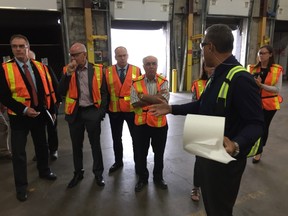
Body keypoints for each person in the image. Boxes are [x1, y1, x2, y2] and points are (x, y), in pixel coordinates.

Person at [149, 24, 264, 215]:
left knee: (219, 208)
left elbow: (257, 123)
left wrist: (236, 145)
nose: (201, 52)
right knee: (211, 205)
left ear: (210, 47)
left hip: (225, 158)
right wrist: (171, 108)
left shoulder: (240, 78)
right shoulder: (218, 74)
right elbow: (201, 105)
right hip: (208, 148)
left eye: (202, 46)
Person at [0, 34, 57, 202]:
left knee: (42, 145)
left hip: (39, 114)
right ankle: (21, 187)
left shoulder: (40, 67)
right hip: (19, 117)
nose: (18, 49)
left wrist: (52, 110)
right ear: (11, 49)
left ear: (28, 47)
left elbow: (49, 90)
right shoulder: (4, 68)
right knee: (19, 153)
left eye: (21, 46)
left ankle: (44, 171)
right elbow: (4, 96)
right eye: (14, 46)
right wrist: (24, 110)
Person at [59, 42, 108, 188]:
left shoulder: (98, 70)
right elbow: (60, 91)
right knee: (76, 145)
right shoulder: (66, 70)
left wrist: (100, 112)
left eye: (76, 55)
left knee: (95, 145)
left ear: (84, 55)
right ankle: (78, 173)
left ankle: (98, 174)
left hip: (92, 111)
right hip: (75, 113)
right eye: (71, 55)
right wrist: (68, 74)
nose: (73, 58)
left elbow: (104, 93)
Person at [130, 55, 169, 192]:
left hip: (159, 124)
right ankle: (142, 179)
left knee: (159, 153)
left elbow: (164, 102)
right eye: (148, 64)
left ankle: (158, 178)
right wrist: (155, 98)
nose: (151, 66)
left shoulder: (163, 81)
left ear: (157, 65)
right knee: (141, 153)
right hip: (141, 124)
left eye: (154, 64)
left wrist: (144, 97)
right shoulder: (136, 82)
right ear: (143, 66)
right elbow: (134, 103)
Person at [105, 46, 141, 174]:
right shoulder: (107, 71)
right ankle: (118, 162)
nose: (122, 58)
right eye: (119, 56)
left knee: (136, 138)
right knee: (116, 138)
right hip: (114, 111)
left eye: (124, 55)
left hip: (131, 110)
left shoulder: (137, 70)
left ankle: (139, 163)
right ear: (115, 57)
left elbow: (140, 90)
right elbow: (105, 92)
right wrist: (104, 110)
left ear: (128, 55)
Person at [247, 45, 283, 163]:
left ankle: (258, 151)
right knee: (252, 125)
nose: (261, 55)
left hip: (269, 103)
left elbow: (277, 89)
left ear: (270, 54)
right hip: (254, 102)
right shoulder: (252, 68)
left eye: (263, 53)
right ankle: (251, 147)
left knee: (263, 127)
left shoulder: (277, 70)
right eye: (259, 53)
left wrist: (261, 86)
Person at [29, 50, 61, 161]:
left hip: (49, 105)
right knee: (38, 133)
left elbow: (56, 86)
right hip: (33, 108)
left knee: (52, 128)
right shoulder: (22, 74)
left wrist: (56, 105)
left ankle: (53, 150)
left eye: (31, 60)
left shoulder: (45, 69)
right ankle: (41, 151)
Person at [190, 63, 214, 202]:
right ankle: (196, 187)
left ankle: (212, 186)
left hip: (220, 125)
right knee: (200, 160)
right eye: (209, 66)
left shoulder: (225, 82)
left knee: (215, 159)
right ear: (204, 68)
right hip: (201, 124)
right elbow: (194, 104)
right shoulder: (198, 84)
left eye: (214, 66)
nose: (212, 68)